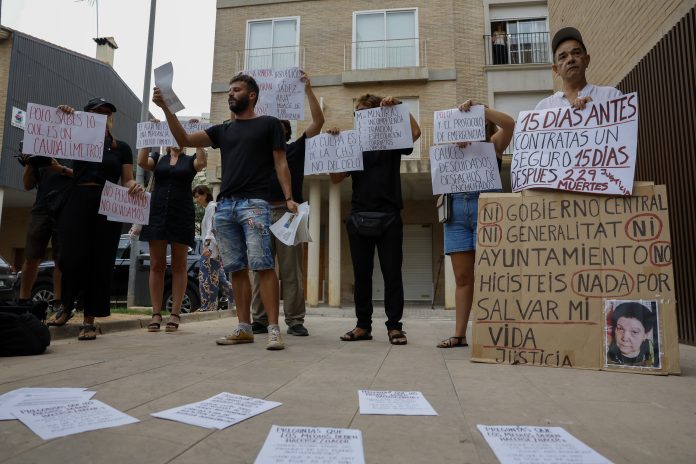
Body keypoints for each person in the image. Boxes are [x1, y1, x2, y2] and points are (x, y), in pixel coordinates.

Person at [152, 73, 298, 351]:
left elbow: (281, 163)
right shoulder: (222, 130)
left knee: (263, 265)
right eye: (229, 89)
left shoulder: (269, 124)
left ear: (252, 95)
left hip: (255, 204)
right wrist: (165, 108)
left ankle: (273, 329)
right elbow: (184, 137)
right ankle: (244, 328)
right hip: (226, 207)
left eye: (236, 89)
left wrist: (289, 197)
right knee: (236, 269)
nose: (230, 93)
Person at [330, 94, 421, 345]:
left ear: (377, 115)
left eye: (363, 112)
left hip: (389, 215)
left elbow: (415, 132)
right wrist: (335, 146)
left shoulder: (391, 139)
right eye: (356, 113)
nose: (359, 117)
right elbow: (335, 178)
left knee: (392, 274)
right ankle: (362, 326)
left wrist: (399, 108)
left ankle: (394, 327)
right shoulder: (352, 143)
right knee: (362, 275)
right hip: (359, 216)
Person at [57, 98, 144, 341]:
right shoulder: (77, 137)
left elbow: (126, 178)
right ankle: (66, 306)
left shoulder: (121, 148)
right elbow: (57, 138)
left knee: (100, 261)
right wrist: (66, 117)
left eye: (107, 113)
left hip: (107, 205)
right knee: (70, 256)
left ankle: (89, 320)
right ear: (86, 114)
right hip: (78, 199)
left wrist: (133, 185)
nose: (102, 116)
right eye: (97, 112)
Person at [250, 71, 324, 337]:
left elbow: (319, 121)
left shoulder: (296, 148)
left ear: (286, 131)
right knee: (261, 269)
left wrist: (308, 90)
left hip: (288, 213)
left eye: (278, 127)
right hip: (260, 213)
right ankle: (259, 319)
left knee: (291, 271)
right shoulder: (256, 153)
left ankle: (294, 320)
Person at [437, 100, 514, 348]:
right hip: (456, 213)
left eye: (477, 117)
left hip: (486, 211)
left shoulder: (494, 144)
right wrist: (456, 142)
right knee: (462, 277)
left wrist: (481, 109)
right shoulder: (451, 147)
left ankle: (495, 333)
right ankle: (459, 335)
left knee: (491, 275)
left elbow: (510, 124)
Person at [137, 139, 206, 332]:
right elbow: (142, 162)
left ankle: (175, 313)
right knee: (156, 265)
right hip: (157, 213)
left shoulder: (190, 160)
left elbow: (201, 163)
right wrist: (147, 137)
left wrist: (197, 141)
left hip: (181, 214)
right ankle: (156, 313)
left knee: (179, 265)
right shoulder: (158, 158)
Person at [15, 145, 73, 325]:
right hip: (42, 207)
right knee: (32, 256)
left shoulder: (75, 147)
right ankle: (23, 301)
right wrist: (30, 163)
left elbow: (82, 176)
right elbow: (27, 185)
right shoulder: (40, 146)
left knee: (60, 259)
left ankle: (58, 302)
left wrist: (60, 169)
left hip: (66, 206)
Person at [535, 27, 622, 111]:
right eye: (563, 57)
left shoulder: (612, 96)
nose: (570, 59)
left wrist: (595, 109)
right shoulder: (543, 109)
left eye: (576, 53)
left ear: (587, 60)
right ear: (556, 69)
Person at [192, 185, 234, 312]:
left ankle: (208, 306)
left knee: (205, 278)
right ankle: (239, 299)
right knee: (220, 280)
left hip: (210, 249)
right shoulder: (210, 208)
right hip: (214, 249)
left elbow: (211, 228)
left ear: (205, 195)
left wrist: (206, 246)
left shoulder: (211, 207)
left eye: (198, 196)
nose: (196, 200)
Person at [607, 302, 659, 367]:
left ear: (645, 335)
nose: (625, 338)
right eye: (620, 328)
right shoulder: (606, 350)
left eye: (634, 332)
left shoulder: (655, 355)